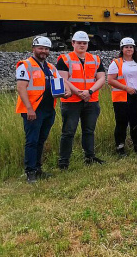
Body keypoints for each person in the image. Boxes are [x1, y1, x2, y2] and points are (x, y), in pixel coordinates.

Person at [15, 36, 66, 183]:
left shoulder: (50, 67)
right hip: (33, 110)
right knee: (31, 141)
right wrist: (29, 109)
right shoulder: (25, 65)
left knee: (41, 140)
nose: (43, 51)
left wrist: (65, 92)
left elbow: (58, 85)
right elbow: (21, 87)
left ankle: (38, 169)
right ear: (33, 48)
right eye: (41, 48)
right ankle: (30, 172)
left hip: (48, 109)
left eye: (46, 49)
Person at [57, 31, 106, 169]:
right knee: (68, 132)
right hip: (71, 102)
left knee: (89, 130)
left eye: (84, 43)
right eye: (79, 42)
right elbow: (63, 79)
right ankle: (64, 162)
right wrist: (79, 92)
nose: (82, 45)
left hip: (91, 100)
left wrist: (89, 91)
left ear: (88, 44)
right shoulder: (65, 59)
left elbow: (102, 78)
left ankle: (89, 157)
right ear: (73, 43)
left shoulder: (95, 59)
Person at [107, 37, 137, 156]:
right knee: (122, 122)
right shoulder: (116, 63)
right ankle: (120, 147)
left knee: (136, 122)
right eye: (126, 47)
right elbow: (110, 80)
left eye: (131, 47)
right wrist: (126, 88)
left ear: (134, 48)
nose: (129, 49)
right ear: (122, 49)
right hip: (122, 97)